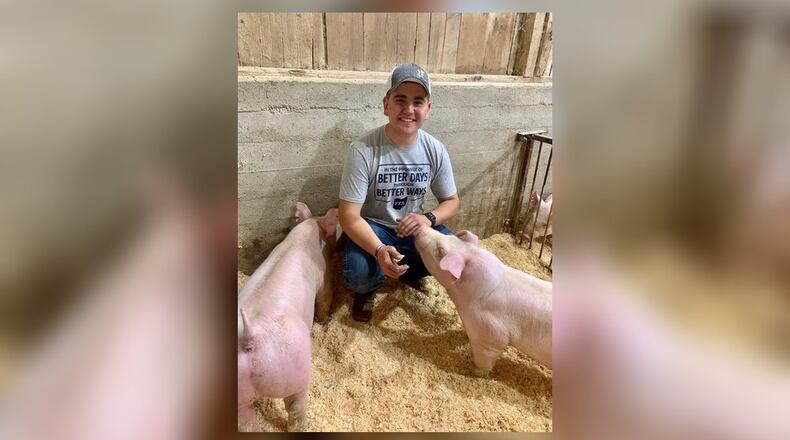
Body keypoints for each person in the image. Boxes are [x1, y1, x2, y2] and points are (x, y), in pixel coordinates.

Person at [338, 63, 460, 322]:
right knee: (359, 274)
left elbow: (452, 202)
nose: (408, 110)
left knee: (452, 252)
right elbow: (348, 215)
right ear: (386, 105)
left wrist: (428, 218)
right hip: (374, 227)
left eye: (418, 102)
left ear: (428, 109)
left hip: (413, 226)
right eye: (400, 100)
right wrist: (379, 248)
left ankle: (409, 273)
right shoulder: (362, 150)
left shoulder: (435, 149)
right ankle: (369, 287)